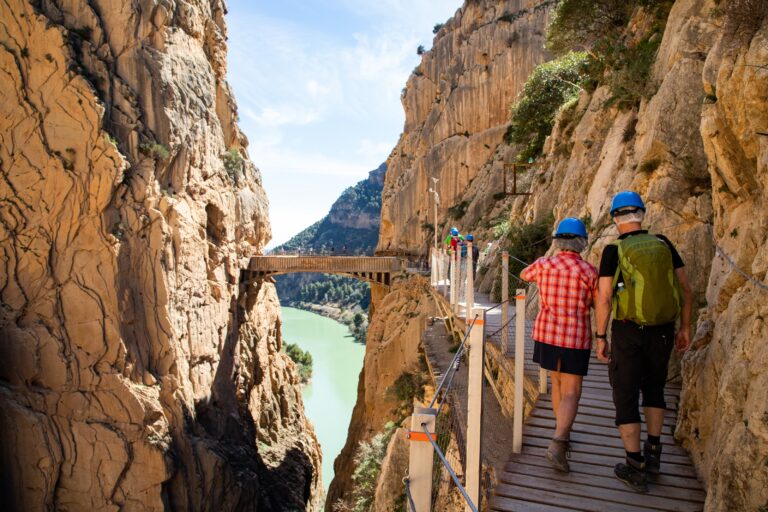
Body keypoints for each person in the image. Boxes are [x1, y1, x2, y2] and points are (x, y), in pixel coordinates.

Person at [594, 191, 693, 493]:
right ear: (642, 214)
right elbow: (686, 290)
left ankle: (634, 465)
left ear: (615, 218)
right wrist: (685, 327)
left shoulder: (614, 250)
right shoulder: (663, 243)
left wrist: (600, 337)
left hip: (628, 331)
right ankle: (654, 454)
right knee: (654, 389)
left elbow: (605, 297)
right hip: (663, 329)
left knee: (625, 393)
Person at [520, 218, 598, 472]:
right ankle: (559, 440)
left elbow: (524, 274)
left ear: (557, 242)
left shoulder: (544, 265)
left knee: (557, 383)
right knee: (572, 391)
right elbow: (599, 301)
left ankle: (560, 433)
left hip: (547, 335)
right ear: (581, 242)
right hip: (574, 337)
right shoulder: (588, 271)